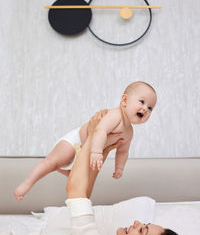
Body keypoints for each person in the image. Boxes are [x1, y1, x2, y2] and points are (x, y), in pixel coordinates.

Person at [1, 111, 199, 235]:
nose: (137, 222)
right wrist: (103, 147)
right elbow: (84, 194)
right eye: (144, 223)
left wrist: (96, 135)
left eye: (142, 230)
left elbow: (76, 191)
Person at [14, 81, 157, 201]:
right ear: (124, 101)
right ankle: (27, 184)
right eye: (142, 102)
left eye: (150, 108)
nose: (145, 109)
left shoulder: (129, 132)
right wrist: (96, 151)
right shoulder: (115, 115)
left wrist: (119, 167)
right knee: (52, 162)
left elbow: (123, 151)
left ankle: (60, 168)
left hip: (86, 154)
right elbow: (99, 130)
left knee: (78, 180)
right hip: (76, 142)